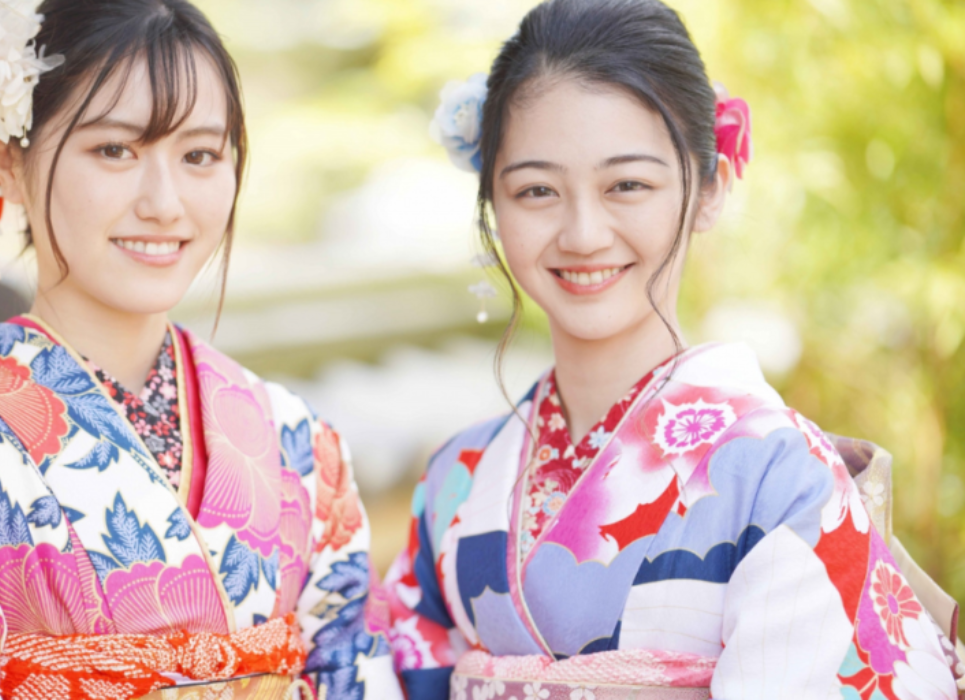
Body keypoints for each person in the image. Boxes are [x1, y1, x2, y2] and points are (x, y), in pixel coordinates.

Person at [0, 1, 400, 698]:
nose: (164, 202)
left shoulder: (294, 440)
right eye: (114, 151)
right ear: (8, 164)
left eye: (199, 155)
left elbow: (353, 669)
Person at [386, 0, 962, 698]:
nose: (583, 233)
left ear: (709, 188)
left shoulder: (779, 475)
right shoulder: (458, 476)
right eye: (536, 190)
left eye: (627, 185)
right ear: (492, 207)